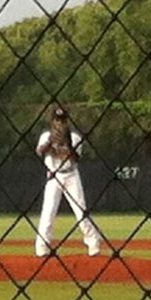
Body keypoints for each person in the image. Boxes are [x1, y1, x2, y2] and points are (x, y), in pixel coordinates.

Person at [34, 105, 101, 257]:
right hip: (53, 176)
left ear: (66, 121)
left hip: (71, 175)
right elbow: (39, 152)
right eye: (57, 120)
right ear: (52, 121)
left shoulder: (74, 137)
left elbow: (76, 158)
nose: (60, 123)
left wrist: (68, 144)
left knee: (81, 211)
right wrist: (50, 142)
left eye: (62, 120)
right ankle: (42, 246)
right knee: (48, 212)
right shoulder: (46, 136)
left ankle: (93, 242)